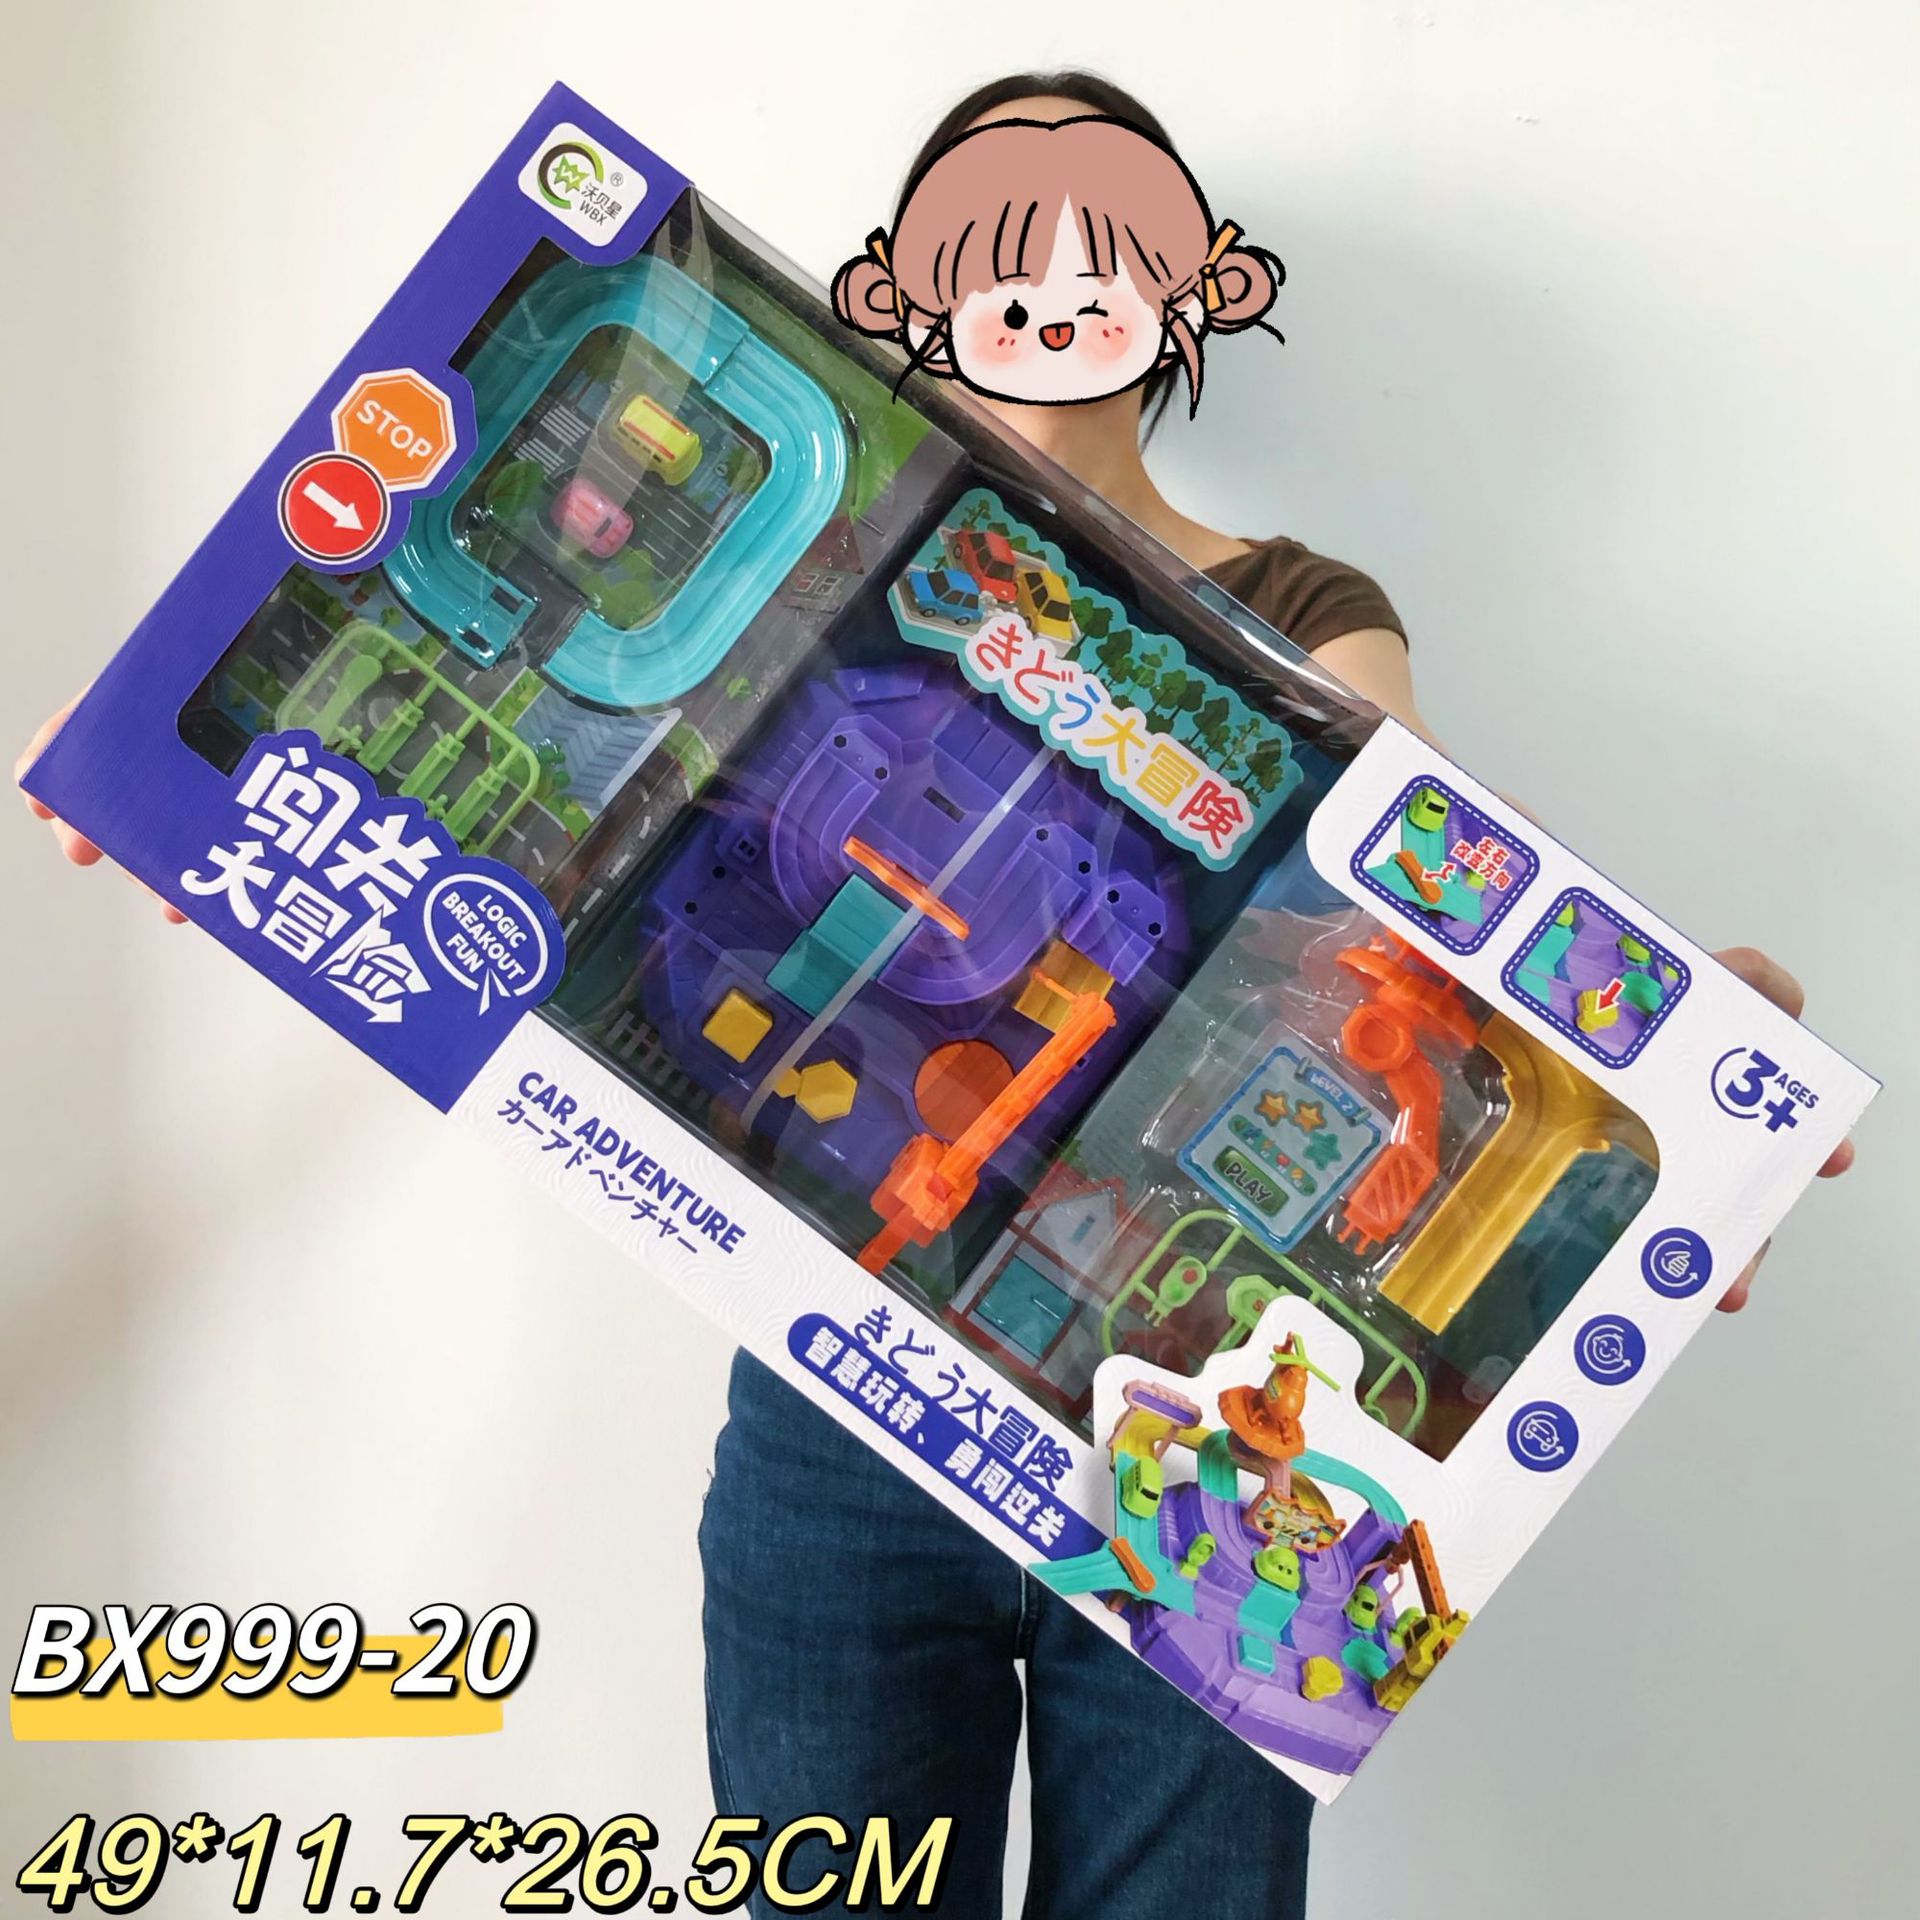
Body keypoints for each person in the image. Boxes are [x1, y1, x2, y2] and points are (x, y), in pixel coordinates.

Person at [16, 69, 1851, 1920]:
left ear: (1193, 289)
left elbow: (1444, 868)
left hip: (1197, 1439)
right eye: (991, 251)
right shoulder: (812, 528)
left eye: (1104, 249)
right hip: (847, 1396)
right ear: (898, 290)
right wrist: (208, 794)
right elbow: (506, 775)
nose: (1047, 293)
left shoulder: (1300, 603)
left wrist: (1678, 1035)